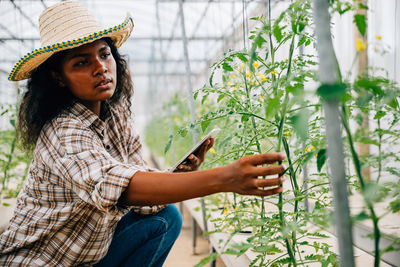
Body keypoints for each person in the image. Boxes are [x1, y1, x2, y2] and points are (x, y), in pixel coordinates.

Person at [0, 1, 286, 266]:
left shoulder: (115, 117)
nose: (100, 67)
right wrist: (224, 178)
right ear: (57, 78)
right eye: (81, 62)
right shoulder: (63, 130)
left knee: (164, 219)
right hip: (41, 261)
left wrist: (179, 177)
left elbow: (144, 198)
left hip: (86, 257)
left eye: (104, 54)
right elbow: (119, 188)